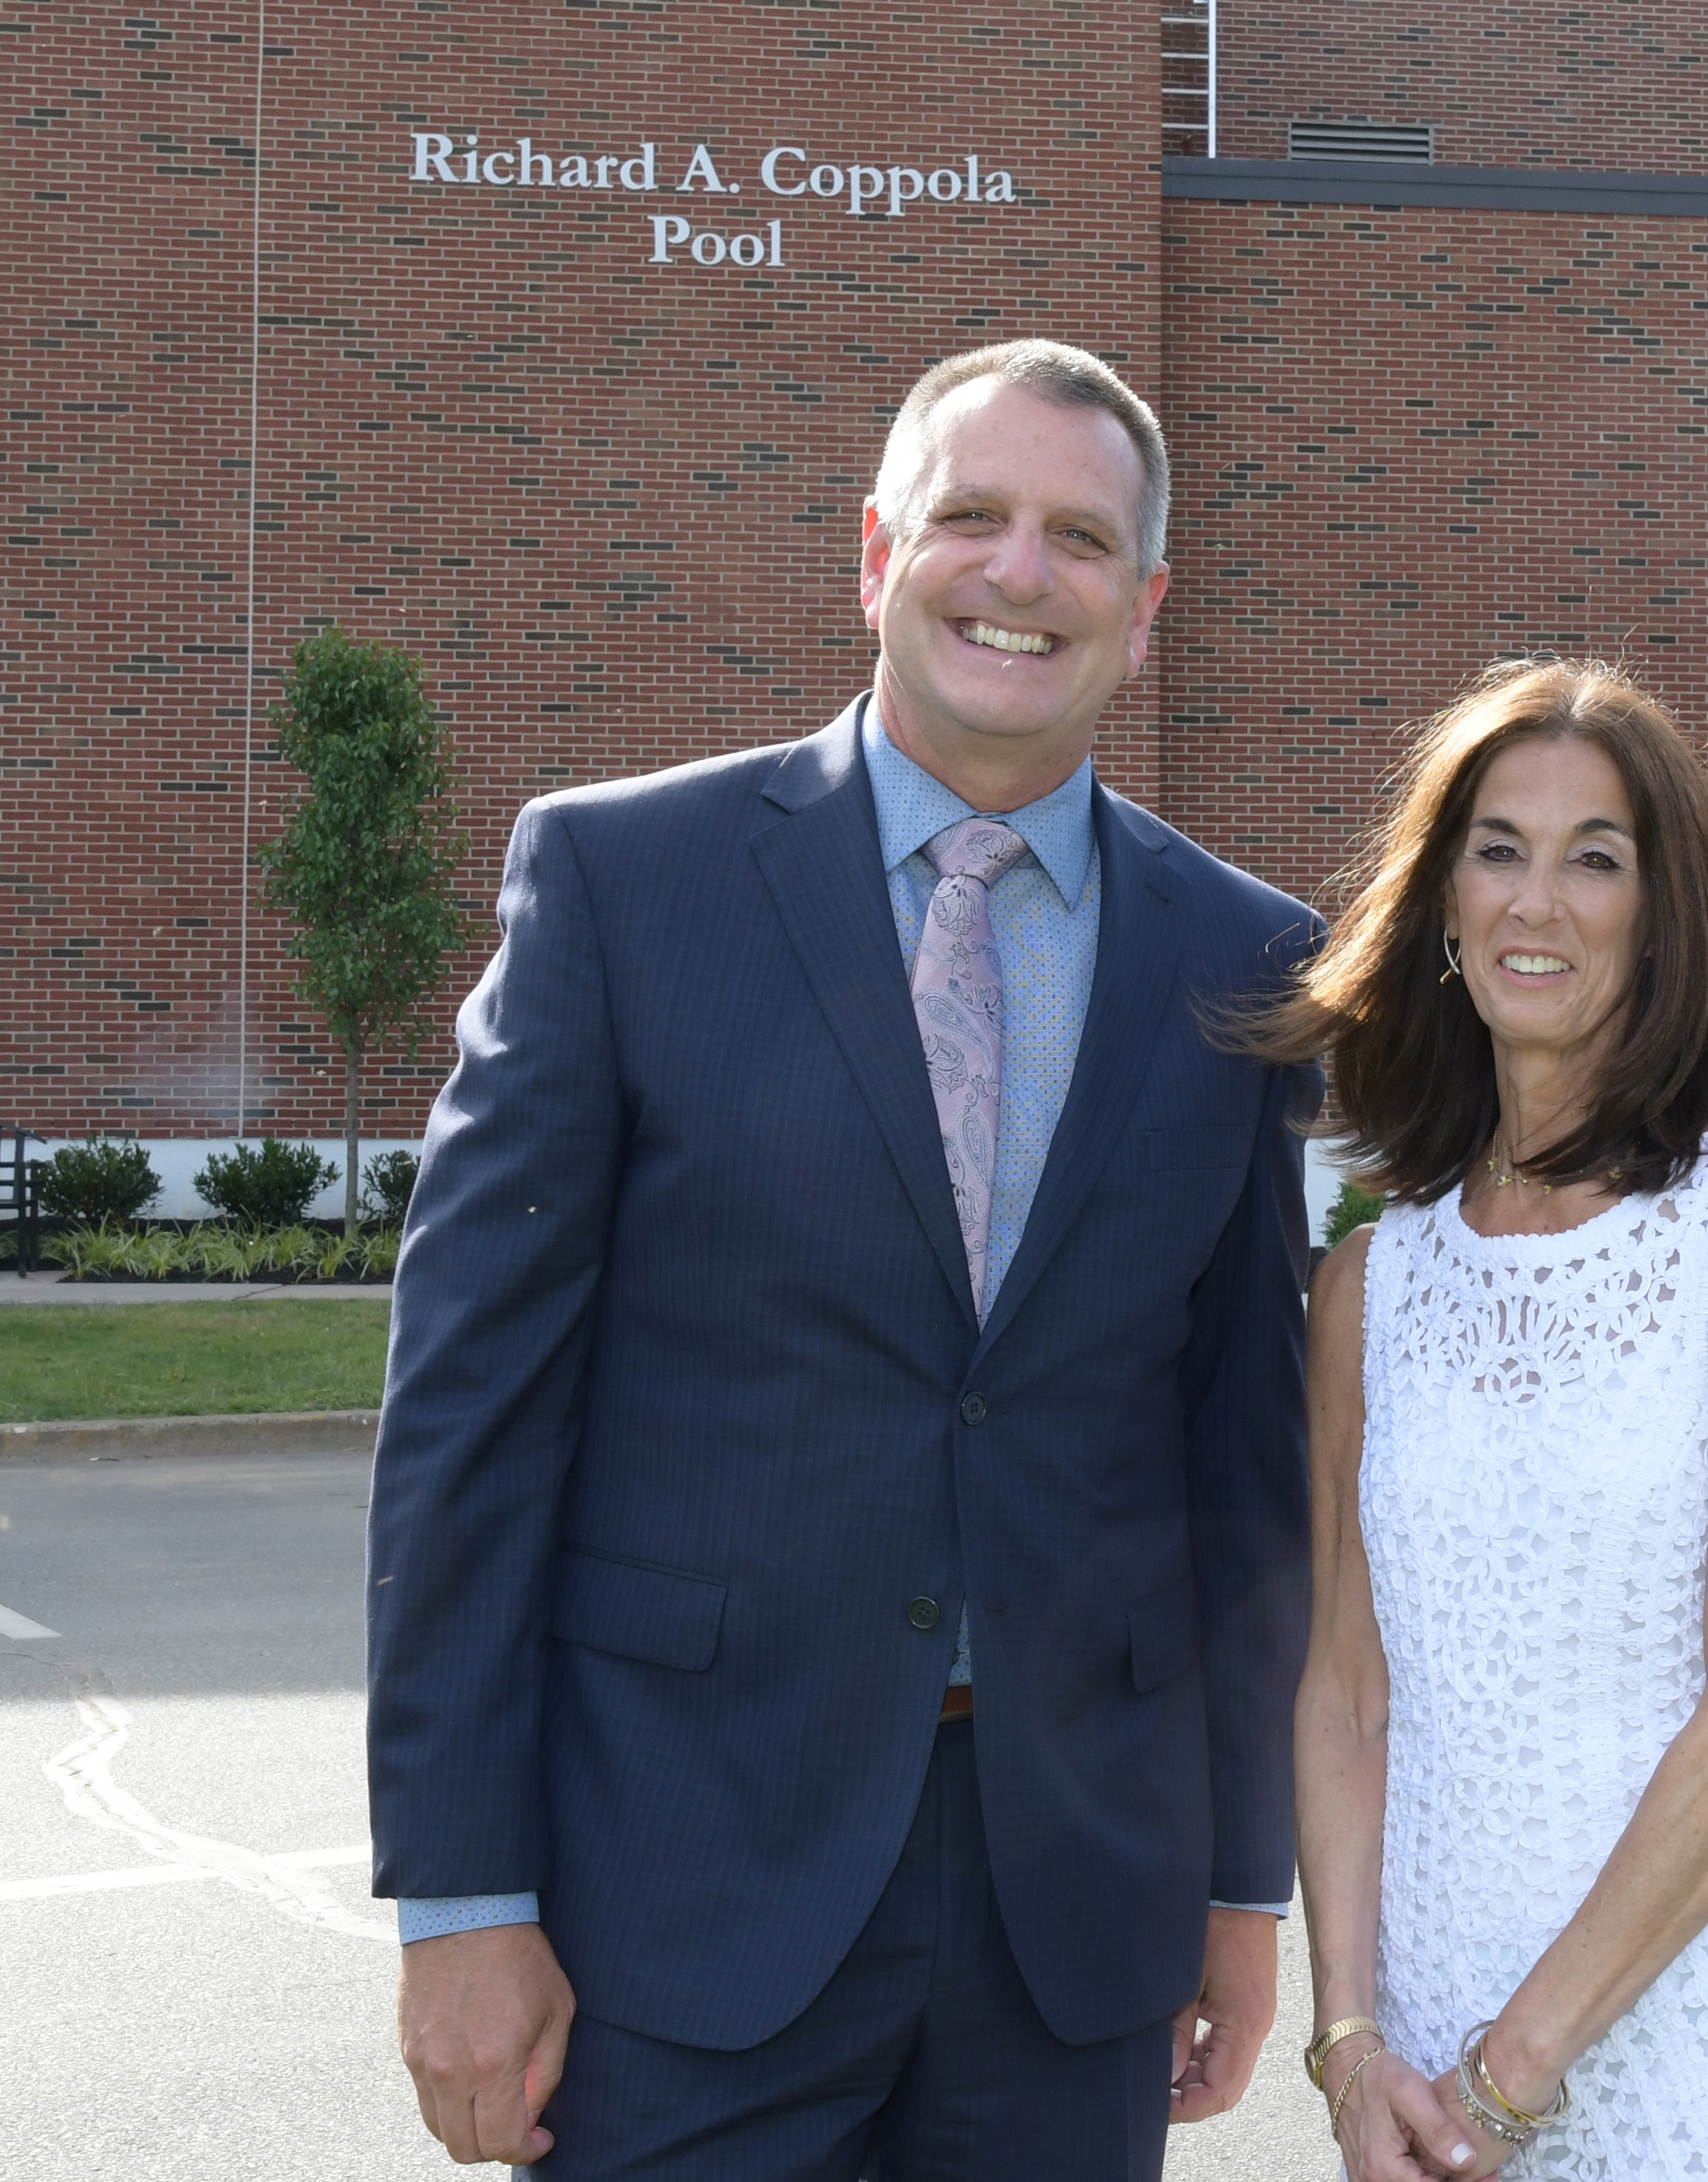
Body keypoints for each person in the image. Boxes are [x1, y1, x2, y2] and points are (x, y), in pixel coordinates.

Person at [364, 339, 1316, 2179]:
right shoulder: (622, 888)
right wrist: (461, 1896)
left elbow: (1237, 1468)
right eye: (971, 517)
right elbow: (466, 1430)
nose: (1019, 575)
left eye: (1079, 538)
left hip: (1073, 1916)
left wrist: (1234, 1877)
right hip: (677, 1892)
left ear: (1147, 605)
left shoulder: (1245, 959)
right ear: (879, 557)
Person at [1263, 661, 1708, 2181]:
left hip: (1702, 2042)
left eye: (1594, 857)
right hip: (1422, 2050)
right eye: (1498, 847)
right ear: (1444, 904)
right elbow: (1347, 1694)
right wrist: (1351, 2044)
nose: (1536, 902)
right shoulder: (1371, 1281)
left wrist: (1513, 2075)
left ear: (1659, 913)